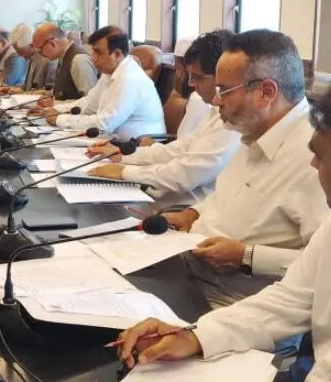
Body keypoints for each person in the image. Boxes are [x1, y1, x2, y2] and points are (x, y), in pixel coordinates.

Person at [115, 88, 331, 381]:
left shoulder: (297, 160)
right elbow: (290, 299)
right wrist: (195, 337)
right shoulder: (251, 139)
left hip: (226, 295)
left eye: (321, 156)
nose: (313, 164)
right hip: (204, 284)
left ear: (266, 92)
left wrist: (247, 256)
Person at [156, 29, 327, 310]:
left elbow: (321, 267)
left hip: (229, 302)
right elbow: (226, 196)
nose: (216, 101)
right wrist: (192, 214)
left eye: (224, 90)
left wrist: (247, 257)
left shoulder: (314, 159)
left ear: (266, 92)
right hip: (189, 271)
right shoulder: (254, 131)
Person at [85, 30, 242, 207]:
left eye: (196, 77)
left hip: (181, 207)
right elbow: (179, 149)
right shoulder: (216, 112)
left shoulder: (233, 123)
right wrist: (122, 157)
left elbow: (184, 174)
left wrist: (125, 172)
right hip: (164, 195)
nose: (190, 83)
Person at [40, 27, 165, 140]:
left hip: (139, 149)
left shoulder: (130, 79)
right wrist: (57, 110)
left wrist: (60, 119)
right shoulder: (109, 71)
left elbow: (104, 124)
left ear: (117, 54)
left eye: (99, 53)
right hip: (113, 143)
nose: (93, 58)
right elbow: (89, 103)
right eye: (93, 52)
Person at [32, 22, 97, 101]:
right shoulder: (63, 57)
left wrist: (56, 105)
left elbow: (90, 101)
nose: (41, 55)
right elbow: (66, 91)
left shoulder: (78, 60)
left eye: (40, 50)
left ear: (52, 44)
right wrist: (47, 94)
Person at [8, 23, 56, 94]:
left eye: (21, 52)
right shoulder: (30, 58)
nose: (19, 55)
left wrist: (33, 93)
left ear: (32, 45)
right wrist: (14, 89)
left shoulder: (49, 58)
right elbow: (28, 88)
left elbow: (53, 91)